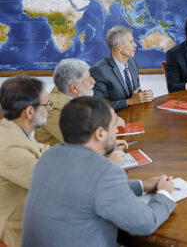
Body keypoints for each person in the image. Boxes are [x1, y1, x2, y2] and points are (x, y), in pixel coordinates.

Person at [22, 96, 176, 246]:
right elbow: (145, 223)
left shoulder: (49, 156)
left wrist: (141, 186)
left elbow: (86, 188)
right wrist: (164, 193)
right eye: (114, 125)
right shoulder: (104, 172)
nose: (117, 130)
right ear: (100, 134)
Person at [0, 76, 50, 247]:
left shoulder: (13, 129)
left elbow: (44, 150)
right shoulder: (8, 145)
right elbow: (51, 183)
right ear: (29, 111)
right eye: (46, 105)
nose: (49, 109)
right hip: (14, 233)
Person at [91, 26, 153, 111]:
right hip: (114, 120)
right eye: (131, 42)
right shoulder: (99, 71)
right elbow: (99, 106)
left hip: (134, 115)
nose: (135, 45)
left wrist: (144, 96)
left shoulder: (132, 62)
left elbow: (136, 92)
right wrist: (130, 102)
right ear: (119, 46)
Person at [35, 58, 96, 146]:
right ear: (74, 88)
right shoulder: (53, 108)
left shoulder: (76, 100)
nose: (93, 81)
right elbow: (79, 141)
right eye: (88, 78)